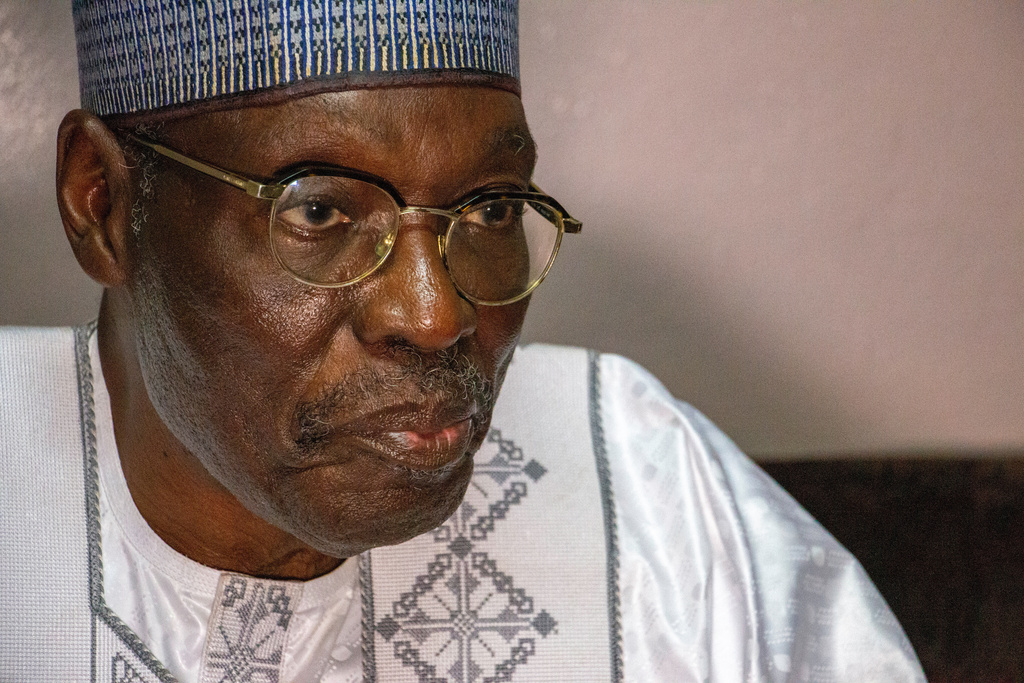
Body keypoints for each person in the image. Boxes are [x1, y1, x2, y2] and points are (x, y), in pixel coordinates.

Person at [0, 1, 924, 681]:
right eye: (319, 210)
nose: (436, 314)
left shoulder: (649, 500)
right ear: (104, 204)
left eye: (486, 207)